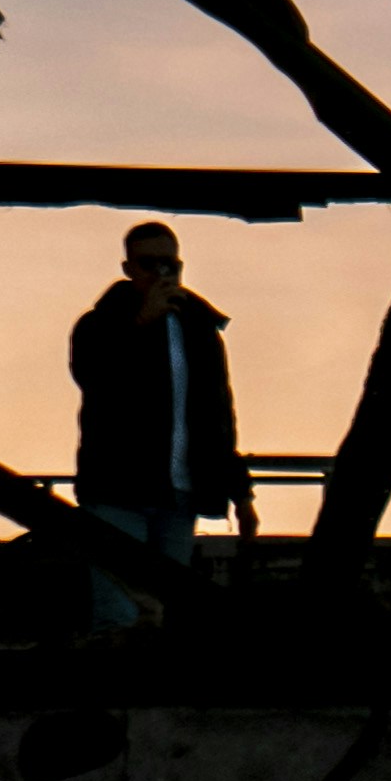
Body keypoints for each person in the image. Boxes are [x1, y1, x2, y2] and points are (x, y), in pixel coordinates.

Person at [65, 222, 250, 633]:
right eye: (150, 264)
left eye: (170, 264)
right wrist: (138, 327)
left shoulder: (198, 329)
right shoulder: (99, 325)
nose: (162, 274)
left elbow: (218, 414)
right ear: (128, 267)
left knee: (169, 614)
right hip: (117, 490)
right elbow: (94, 377)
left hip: (178, 492)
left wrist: (239, 490)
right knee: (119, 617)